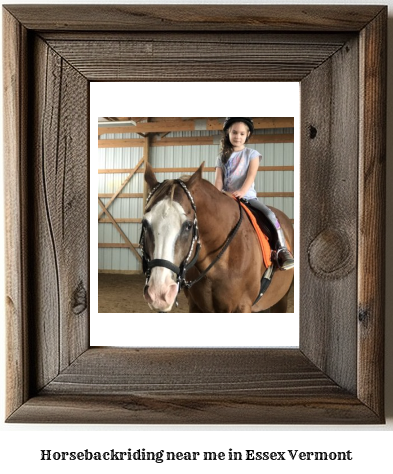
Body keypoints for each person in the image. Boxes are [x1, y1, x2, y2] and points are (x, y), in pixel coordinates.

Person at [215, 117, 294, 270]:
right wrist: (216, 197)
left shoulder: (252, 154)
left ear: (247, 134)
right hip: (226, 198)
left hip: (247, 197)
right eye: (234, 132)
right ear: (228, 133)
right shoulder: (221, 157)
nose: (238, 136)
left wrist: (241, 192)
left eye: (242, 133)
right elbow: (218, 180)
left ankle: (283, 250)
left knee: (270, 215)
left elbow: (250, 176)